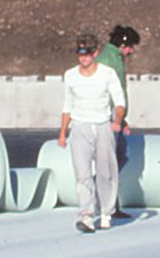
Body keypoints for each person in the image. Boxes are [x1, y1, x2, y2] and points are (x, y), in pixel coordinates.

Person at [57, 32, 126, 233]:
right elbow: (67, 105)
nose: (83, 58)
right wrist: (62, 133)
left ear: (95, 53)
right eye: (80, 54)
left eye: (87, 54)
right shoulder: (70, 76)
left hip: (103, 125)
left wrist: (118, 121)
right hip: (80, 127)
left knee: (105, 172)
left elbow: (119, 101)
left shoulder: (107, 74)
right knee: (82, 173)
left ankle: (106, 212)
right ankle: (86, 216)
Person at [97, 25, 141, 219]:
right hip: (107, 117)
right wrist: (114, 119)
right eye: (130, 46)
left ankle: (110, 204)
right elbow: (105, 92)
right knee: (112, 162)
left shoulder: (114, 58)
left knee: (118, 159)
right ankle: (107, 203)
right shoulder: (107, 60)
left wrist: (123, 121)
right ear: (123, 43)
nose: (131, 51)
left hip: (115, 117)